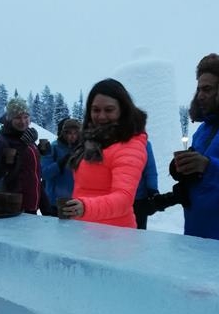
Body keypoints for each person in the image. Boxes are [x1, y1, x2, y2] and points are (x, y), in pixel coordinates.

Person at [157, 53, 219, 241]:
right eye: (198, 89)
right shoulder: (203, 130)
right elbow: (201, 176)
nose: (200, 96)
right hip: (195, 233)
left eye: (207, 89)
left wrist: (208, 166)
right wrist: (182, 173)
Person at [60, 79, 148, 228]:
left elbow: (123, 199)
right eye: (95, 110)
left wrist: (85, 207)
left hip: (114, 236)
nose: (101, 116)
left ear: (122, 110)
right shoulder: (92, 141)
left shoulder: (129, 145)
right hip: (85, 230)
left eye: (108, 110)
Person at [0, 97, 48, 214]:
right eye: (17, 117)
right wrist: (21, 148)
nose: (23, 121)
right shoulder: (2, 141)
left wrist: (46, 206)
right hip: (12, 206)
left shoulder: (28, 139)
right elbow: (0, 175)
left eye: (26, 117)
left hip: (31, 205)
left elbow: (33, 174)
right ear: (10, 119)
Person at [40, 117, 81, 214]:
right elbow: (44, 173)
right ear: (64, 133)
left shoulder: (81, 149)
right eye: (69, 133)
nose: (72, 136)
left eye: (75, 133)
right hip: (55, 202)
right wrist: (60, 164)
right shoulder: (53, 148)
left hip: (76, 201)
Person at [132, 140, 159, 230]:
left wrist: (153, 191)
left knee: (138, 234)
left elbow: (150, 170)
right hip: (117, 199)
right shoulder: (111, 140)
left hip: (139, 200)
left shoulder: (144, 144)